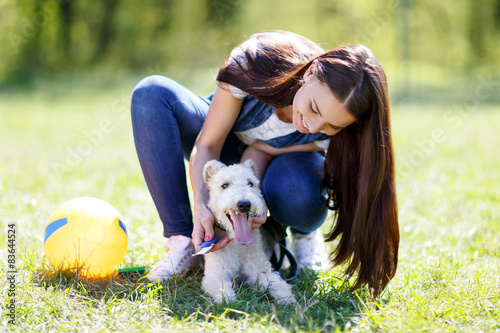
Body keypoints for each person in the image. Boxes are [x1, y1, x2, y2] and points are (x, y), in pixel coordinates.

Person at [131, 30, 399, 295]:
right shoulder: (253, 61)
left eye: (330, 124)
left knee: (297, 190)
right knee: (152, 93)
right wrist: (203, 207)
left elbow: (263, 148)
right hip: (221, 141)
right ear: (311, 72)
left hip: (277, 164)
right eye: (315, 108)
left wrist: (253, 196)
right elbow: (208, 144)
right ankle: (182, 242)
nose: (313, 125)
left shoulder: (342, 132)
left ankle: (302, 235)